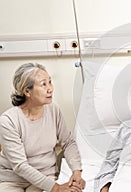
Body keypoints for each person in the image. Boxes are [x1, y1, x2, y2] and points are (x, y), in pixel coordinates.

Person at [0, 63, 86, 192]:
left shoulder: (53, 110)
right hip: (12, 179)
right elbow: (20, 166)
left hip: (45, 176)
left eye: (50, 82)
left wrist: (77, 171)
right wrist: (56, 188)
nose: (50, 88)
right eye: (43, 84)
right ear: (27, 91)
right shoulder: (8, 121)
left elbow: (67, 142)